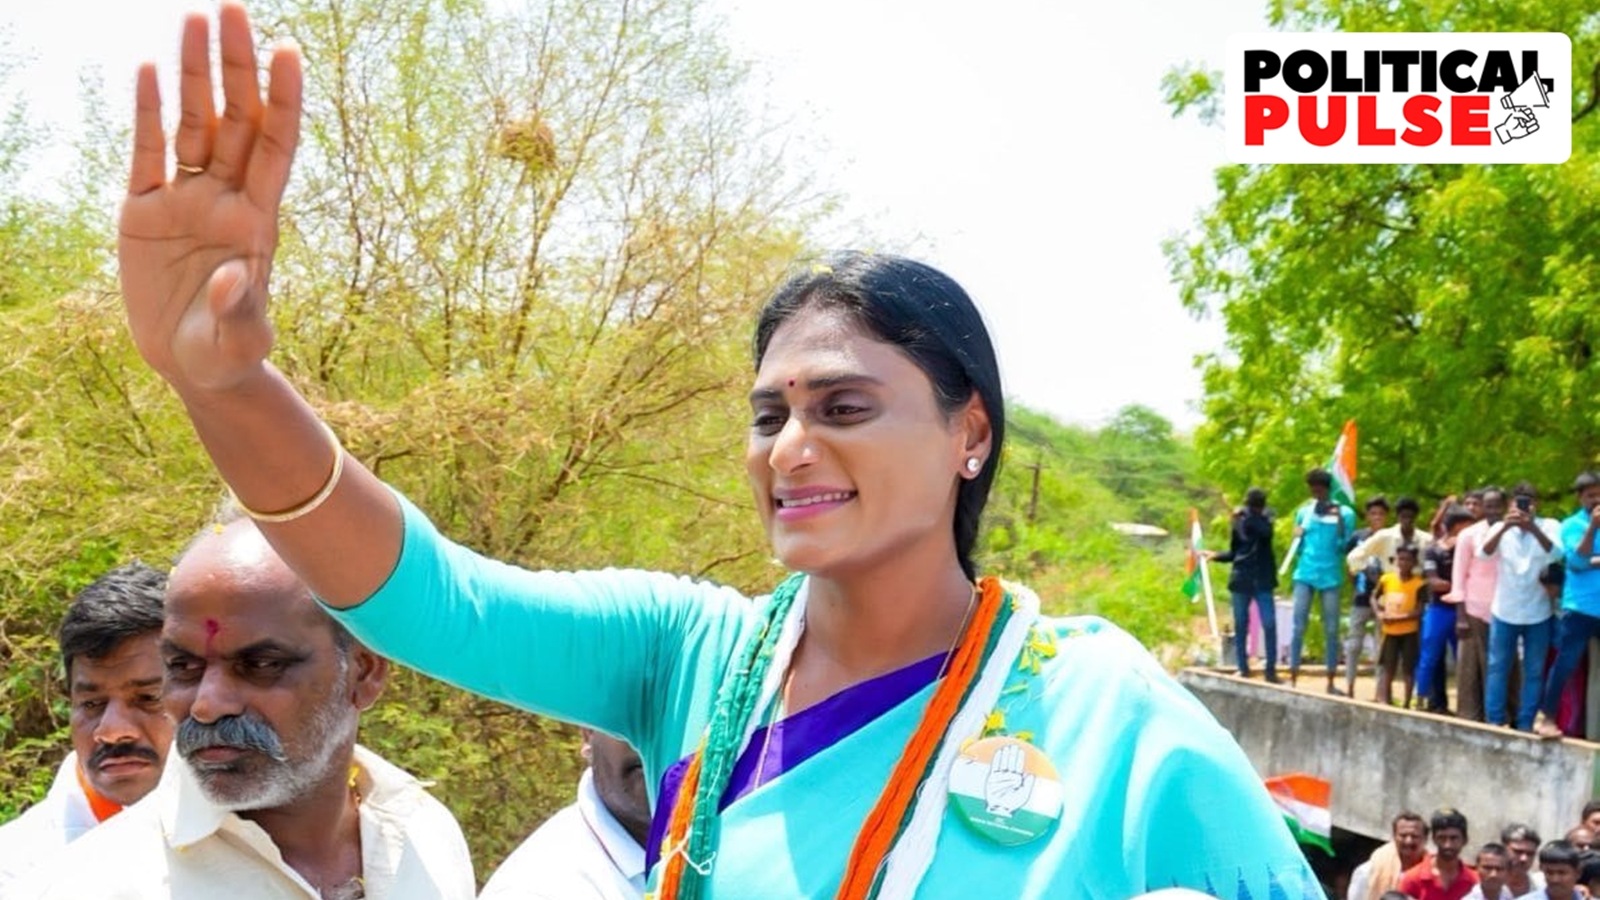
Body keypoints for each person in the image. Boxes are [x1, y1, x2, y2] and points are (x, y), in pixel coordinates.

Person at [105, 5, 1325, 896]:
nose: (791, 445)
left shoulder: (1108, 719)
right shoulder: (691, 661)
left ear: (970, 433)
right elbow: (427, 597)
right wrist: (224, 382)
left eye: (843, 406)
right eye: (767, 413)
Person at [22, 513, 476, 899]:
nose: (206, 705)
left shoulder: (425, 834)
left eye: (260, 664)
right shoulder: (86, 886)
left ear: (364, 671)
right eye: (182, 667)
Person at [0, 564, 172, 890]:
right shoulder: (16, 875)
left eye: (148, 698)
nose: (112, 731)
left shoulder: (275, 840)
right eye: (92, 704)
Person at [480, 730, 650, 899]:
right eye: (637, 712)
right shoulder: (538, 891)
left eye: (675, 720)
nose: (659, 744)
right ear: (588, 731)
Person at [1483, 483, 1562, 731]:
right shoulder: (1499, 527)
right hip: (1505, 609)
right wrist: (1506, 526)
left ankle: (1526, 723)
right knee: (1498, 667)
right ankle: (1495, 720)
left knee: (1534, 671)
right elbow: (1484, 553)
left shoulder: (1550, 526)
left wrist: (1532, 528)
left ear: (1537, 503)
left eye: (1529, 501)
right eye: (1519, 501)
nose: (1524, 506)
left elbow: (1557, 553)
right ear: (1511, 504)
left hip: (1538, 612)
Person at [1533, 472, 1600, 739]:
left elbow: (1586, 562)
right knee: (1566, 663)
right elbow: (1576, 562)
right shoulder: (1572, 524)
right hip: (1580, 607)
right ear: (1580, 497)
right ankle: (1547, 718)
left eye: (1599, 493)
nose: (1596, 499)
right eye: (1590, 495)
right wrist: (1593, 527)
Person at [1290, 468, 1358, 693]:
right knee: (1298, 625)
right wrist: (1296, 537)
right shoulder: (1304, 512)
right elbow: (1299, 548)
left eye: (1319, 490)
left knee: (1331, 628)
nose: (1316, 494)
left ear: (1327, 489)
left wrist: (1339, 524)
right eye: (1312, 490)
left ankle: (1330, 680)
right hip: (1305, 573)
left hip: (1330, 575)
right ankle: (1293, 676)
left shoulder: (1345, 513)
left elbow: (1345, 547)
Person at [1206, 487, 1279, 683]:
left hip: (1263, 579)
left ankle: (1270, 670)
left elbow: (1265, 532)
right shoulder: (1240, 522)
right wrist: (1215, 556)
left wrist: (1244, 516)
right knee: (1240, 624)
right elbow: (1234, 552)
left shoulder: (1266, 518)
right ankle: (1242, 667)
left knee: (1269, 624)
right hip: (1241, 578)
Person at [1451, 487, 1508, 722]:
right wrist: (1461, 616)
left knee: (1502, 665)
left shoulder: (1513, 533)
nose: (1493, 511)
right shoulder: (1469, 535)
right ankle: (1470, 716)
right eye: (1489, 506)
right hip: (1474, 609)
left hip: (1506, 610)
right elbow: (1459, 577)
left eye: (1497, 506)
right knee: (1471, 667)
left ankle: (1501, 715)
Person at [1417, 506, 1476, 714]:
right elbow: (1434, 582)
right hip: (1440, 609)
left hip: (1466, 610)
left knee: (1466, 661)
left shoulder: (1471, 549)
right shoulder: (1434, 549)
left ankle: (1468, 705)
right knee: (1429, 656)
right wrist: (1460, 585)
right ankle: (1421, 699)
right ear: (1457, 526)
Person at [1344, 496, 1392, 697]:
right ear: (1368, 517)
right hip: (1362, 597)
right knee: (1354, 642)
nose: (1377, 517)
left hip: (1385, 599)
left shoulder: (1391, 538)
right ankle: (1350, 685)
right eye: (1373, 513)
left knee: (1382, 646)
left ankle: (1380, 691)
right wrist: (1357, 584)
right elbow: (1349, 565)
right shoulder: (1358, 538)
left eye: (1381, 514)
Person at [1374, 545, 1425, 708]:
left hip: (1409, 632)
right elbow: (1374, 597)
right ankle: (1386, 699)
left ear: (1414, 562)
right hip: (1389, 632)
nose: (1404, 563)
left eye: (1408, 560)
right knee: (1388, 667)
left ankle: (1407, 702)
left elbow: (1419, 611)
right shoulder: (1387, 579)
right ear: (1396, 560)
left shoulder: (1419, 584)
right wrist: (1379, 613)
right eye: (1401, 559)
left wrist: (1397, 618)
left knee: (1408, 669)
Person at [1397, 808, 1477, 899]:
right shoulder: (1413, 879)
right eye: (1442, 838)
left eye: (1454, 838)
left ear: (1465, 840)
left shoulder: (1475, 882)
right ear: (1434, 839)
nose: (1448, 845)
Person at [1349, 812, 1431, 900]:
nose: (1408, 841)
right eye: (1403, 835)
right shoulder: (1368, 871)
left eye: (1414, 836)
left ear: (1425, 839)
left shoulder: (1436, 875)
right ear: (1394, 836)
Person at [1504, 825, 1547, 897]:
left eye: (1530, 854)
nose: (1524, 859)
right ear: (1503, 849)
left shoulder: (1543, 886)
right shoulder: (1486, 886)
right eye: (1518, 852)